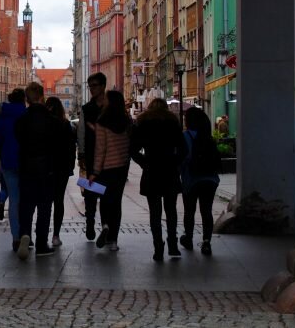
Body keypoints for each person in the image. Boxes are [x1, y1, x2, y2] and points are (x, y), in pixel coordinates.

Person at [14, 82, 67, 259]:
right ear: (42, 97)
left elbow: (19, 141)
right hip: (47, 168)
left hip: (27, 167)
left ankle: (24, 235)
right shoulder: (53, 122)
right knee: (45, 207)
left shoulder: (21, 121)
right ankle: (42, 243)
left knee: (26, 205)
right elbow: (59, 148)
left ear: (27, 100)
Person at [130, 97, 185, 261]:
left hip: (152, 169)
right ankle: (173, 245)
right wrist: (176, 161)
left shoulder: (143, 122)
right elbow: (183, 148)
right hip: (169, 169)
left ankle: (158, 247)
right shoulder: (172, 122)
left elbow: (132, 149)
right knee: (171, 210)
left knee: (154, 212)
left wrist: (143, 162)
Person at [89, 89, 132, 251]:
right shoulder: (126, 121)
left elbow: (101, 150)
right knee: (116, 203)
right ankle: (114, 240)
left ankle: (105, 225)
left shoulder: (102, 122)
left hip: (106, 169)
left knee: (105, 201)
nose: (104, 101)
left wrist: (94, 172)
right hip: (121, 169)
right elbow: (128, 145)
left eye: (106, 99)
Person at [179, 106, 222, 256]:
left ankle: (189, 238)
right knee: (206, 211)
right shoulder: (207, 136)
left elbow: (181, 159)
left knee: (189, 211)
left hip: (191, 180)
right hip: (210, 180)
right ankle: (206, 242)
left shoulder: (184, 136)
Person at [76, 72, 109, 240]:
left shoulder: (111, 108)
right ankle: (90, 224)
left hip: (109, 159)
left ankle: (104, 225)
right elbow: (81, 132)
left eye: (94, 86)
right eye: (90, 86)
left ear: (103, 86)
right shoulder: (86, 109)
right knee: (90, 193)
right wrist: (81, 154)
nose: (91, 89)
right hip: (90, 156)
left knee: (105, 195)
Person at [0, 88, 27, 252]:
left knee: (13, 200)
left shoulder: (2, 116)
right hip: (26, 161)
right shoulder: (26, 114)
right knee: (26, 200)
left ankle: (15, 237)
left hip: (7, 160)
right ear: (23, 100)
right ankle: (25, 234)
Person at [46, 95, 76, 247]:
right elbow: (71, 148)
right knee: (59, 201)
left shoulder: (44, 124)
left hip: (46, 167)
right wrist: (70, 167)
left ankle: (42, 234)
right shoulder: (66, 125)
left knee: (44, 202)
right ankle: (56, 235)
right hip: (62, 168)